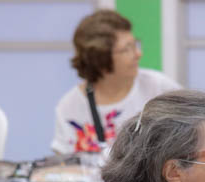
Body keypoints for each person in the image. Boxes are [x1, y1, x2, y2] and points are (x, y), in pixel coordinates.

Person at [52, 9, 180, 155]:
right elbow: (64, 163)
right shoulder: (69, 107)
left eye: (135, 44)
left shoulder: (159, 87)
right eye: (127, 49)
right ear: (101, 59)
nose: (138, 54)